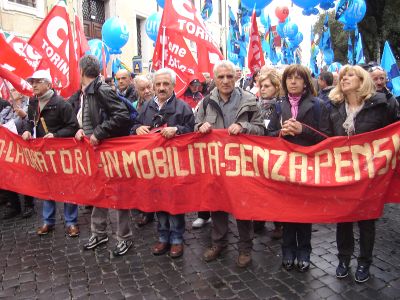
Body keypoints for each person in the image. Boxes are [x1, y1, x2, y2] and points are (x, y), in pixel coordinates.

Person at [328, 65, 399, 283]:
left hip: (371, 175)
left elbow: (393, 132)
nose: (344, 79)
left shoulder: (381, 105)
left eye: (350, 75)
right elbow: (326, 138)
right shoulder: (334, 107)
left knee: (367, 220)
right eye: (342, 76)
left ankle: (364, 261)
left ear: (362, 80)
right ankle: (343, 259)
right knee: (344, 219)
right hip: (344, 174)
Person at [195, 60, 264, 267]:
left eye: (229, 77)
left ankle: (245, 247)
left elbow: (261, 129)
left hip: (242, 163)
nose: (225, 81)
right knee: (217, 204)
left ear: (236, 77)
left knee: (243, 206)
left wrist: (244, 126)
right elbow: (195, 125)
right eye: (221, 77)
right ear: (214, 79)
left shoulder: (250, 100)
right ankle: (219, 243)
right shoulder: (206, 102)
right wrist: (201, 126)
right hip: (216, 164)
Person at [266, 64, 330, 273]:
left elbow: (326, 138)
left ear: (305, 82)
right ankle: (287, 252)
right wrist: (281, 133)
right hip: (284, 167)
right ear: (284, 82)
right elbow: (269, 134)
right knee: (287, 212)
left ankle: (304, 252)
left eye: (298, 78)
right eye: (289, 78)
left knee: (304, 213)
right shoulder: (278, 105)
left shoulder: (318, 104)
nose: (293, 81)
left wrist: (303, 130)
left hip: (307, 166)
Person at [131, 68, 195, 258]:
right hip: (154, 166)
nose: (161, 88)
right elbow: (133, 125)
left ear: (173, 86)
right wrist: (137, 129)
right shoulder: (146, 107)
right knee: (158, 201)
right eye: (158, 84)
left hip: (175, 166)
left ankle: (176, 239)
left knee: (174, 203)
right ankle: (162, 237)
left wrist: (177, 130)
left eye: (166, 84)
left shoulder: (183, 108)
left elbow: (192, 133)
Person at [77, 55, 134, 256]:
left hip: (110, 151)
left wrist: (99, 132)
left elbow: (122, 116)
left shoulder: (102, 90)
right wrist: (82, 130)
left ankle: (124, 237)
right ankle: (99, 233)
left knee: (119, 194)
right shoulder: (87, 92)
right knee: (98, 191)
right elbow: (90, 119)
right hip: (97, 151)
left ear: (82, 71)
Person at [21, 69, 80, 237]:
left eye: (38, 81)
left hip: (61, 153)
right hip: (44, 154)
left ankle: (71, 222)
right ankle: (48, 221)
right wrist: (26, 130)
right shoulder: (33, 102)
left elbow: (73, 126)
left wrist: (55, 135)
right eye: (32, 82)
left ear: (48, 84)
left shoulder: (61, 103)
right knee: (47, 187)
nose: (33, 85)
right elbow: (29, 121)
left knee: (68, 187)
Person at [253, 70, 283, 239]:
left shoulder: (280, 106)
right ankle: (259, 217)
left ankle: (278, 222)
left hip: (275, 154)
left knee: (275, 189)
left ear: (276, 87)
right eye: (260, 86)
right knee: (258, 187)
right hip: (257, 153)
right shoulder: (254, 104)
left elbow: (281, 130)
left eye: (266, 86)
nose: (262, 89)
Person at [1, 86, 35, 218]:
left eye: (14, 90)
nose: (11, 93)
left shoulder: (29, 105)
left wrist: (23, 116)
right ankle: (14, 206)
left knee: (25, 175)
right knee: (7, 175)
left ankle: (29, 205)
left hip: (23, 145)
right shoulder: (8, 108)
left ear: (21, 93)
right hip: (9, 148)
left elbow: (30, 121)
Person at [131, 74, 156, 227]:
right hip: (142, 152)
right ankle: (147, 211)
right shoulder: (133, 106)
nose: (147, 91)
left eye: (149, 87)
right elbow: (130, 126)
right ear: (137, 91)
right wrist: (137, 128)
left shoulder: (161, 102)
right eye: (142, 89)